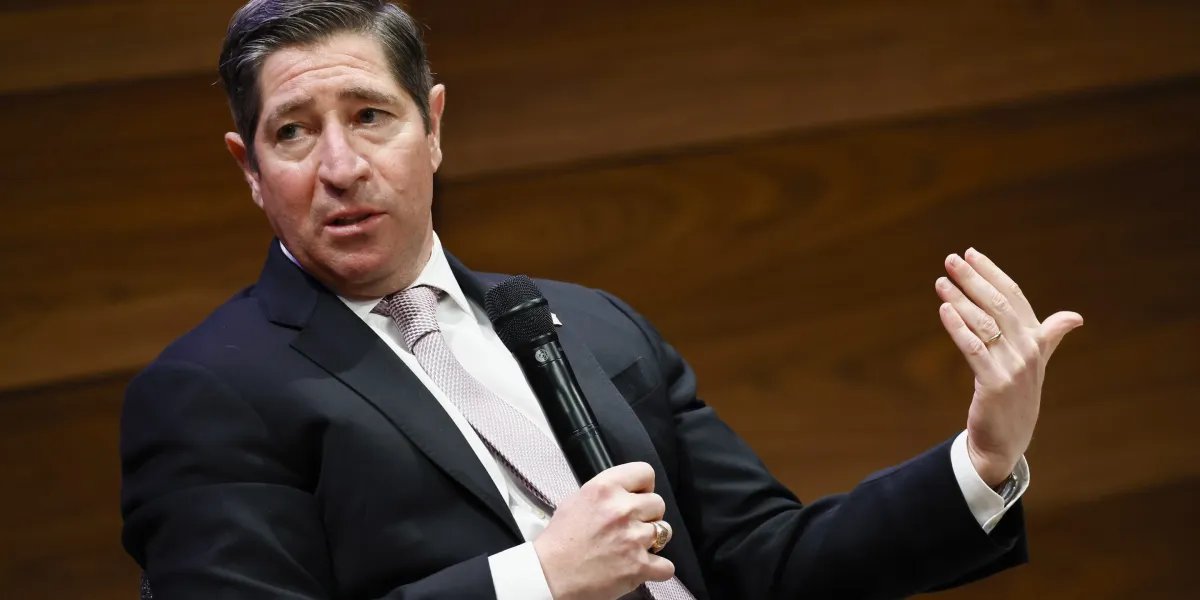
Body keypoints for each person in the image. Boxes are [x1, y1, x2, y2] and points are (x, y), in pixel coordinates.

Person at [119, 1, 1083, 598]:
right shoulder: (210, 391)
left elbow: (767, 562)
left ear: (434, 127)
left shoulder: (589, 324)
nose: (341, 166)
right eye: (294, 132)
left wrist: (983, 460)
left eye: (371, 116)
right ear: (250, 168)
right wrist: (535, 580)